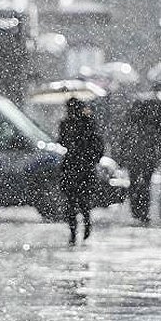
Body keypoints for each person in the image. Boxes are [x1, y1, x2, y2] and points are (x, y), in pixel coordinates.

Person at [58, 98, 104, 245]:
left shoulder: (87, 123)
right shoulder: (67, 124)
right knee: (73, 203)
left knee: (80, 202)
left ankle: (84, 226)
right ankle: (75, 231)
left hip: (81, 167)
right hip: (74, 166)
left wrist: (90, 158)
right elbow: (62, 141)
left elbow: (97, 145)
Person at [119, 101, 160, 224]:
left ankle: (136, 210)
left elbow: (124, 144)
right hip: (146, 161)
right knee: (145, 186)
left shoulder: (131, 126)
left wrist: (122, 158)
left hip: (135, 160)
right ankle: (143, 211)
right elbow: (155, 145)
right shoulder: (151, 127)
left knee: (134, 185)